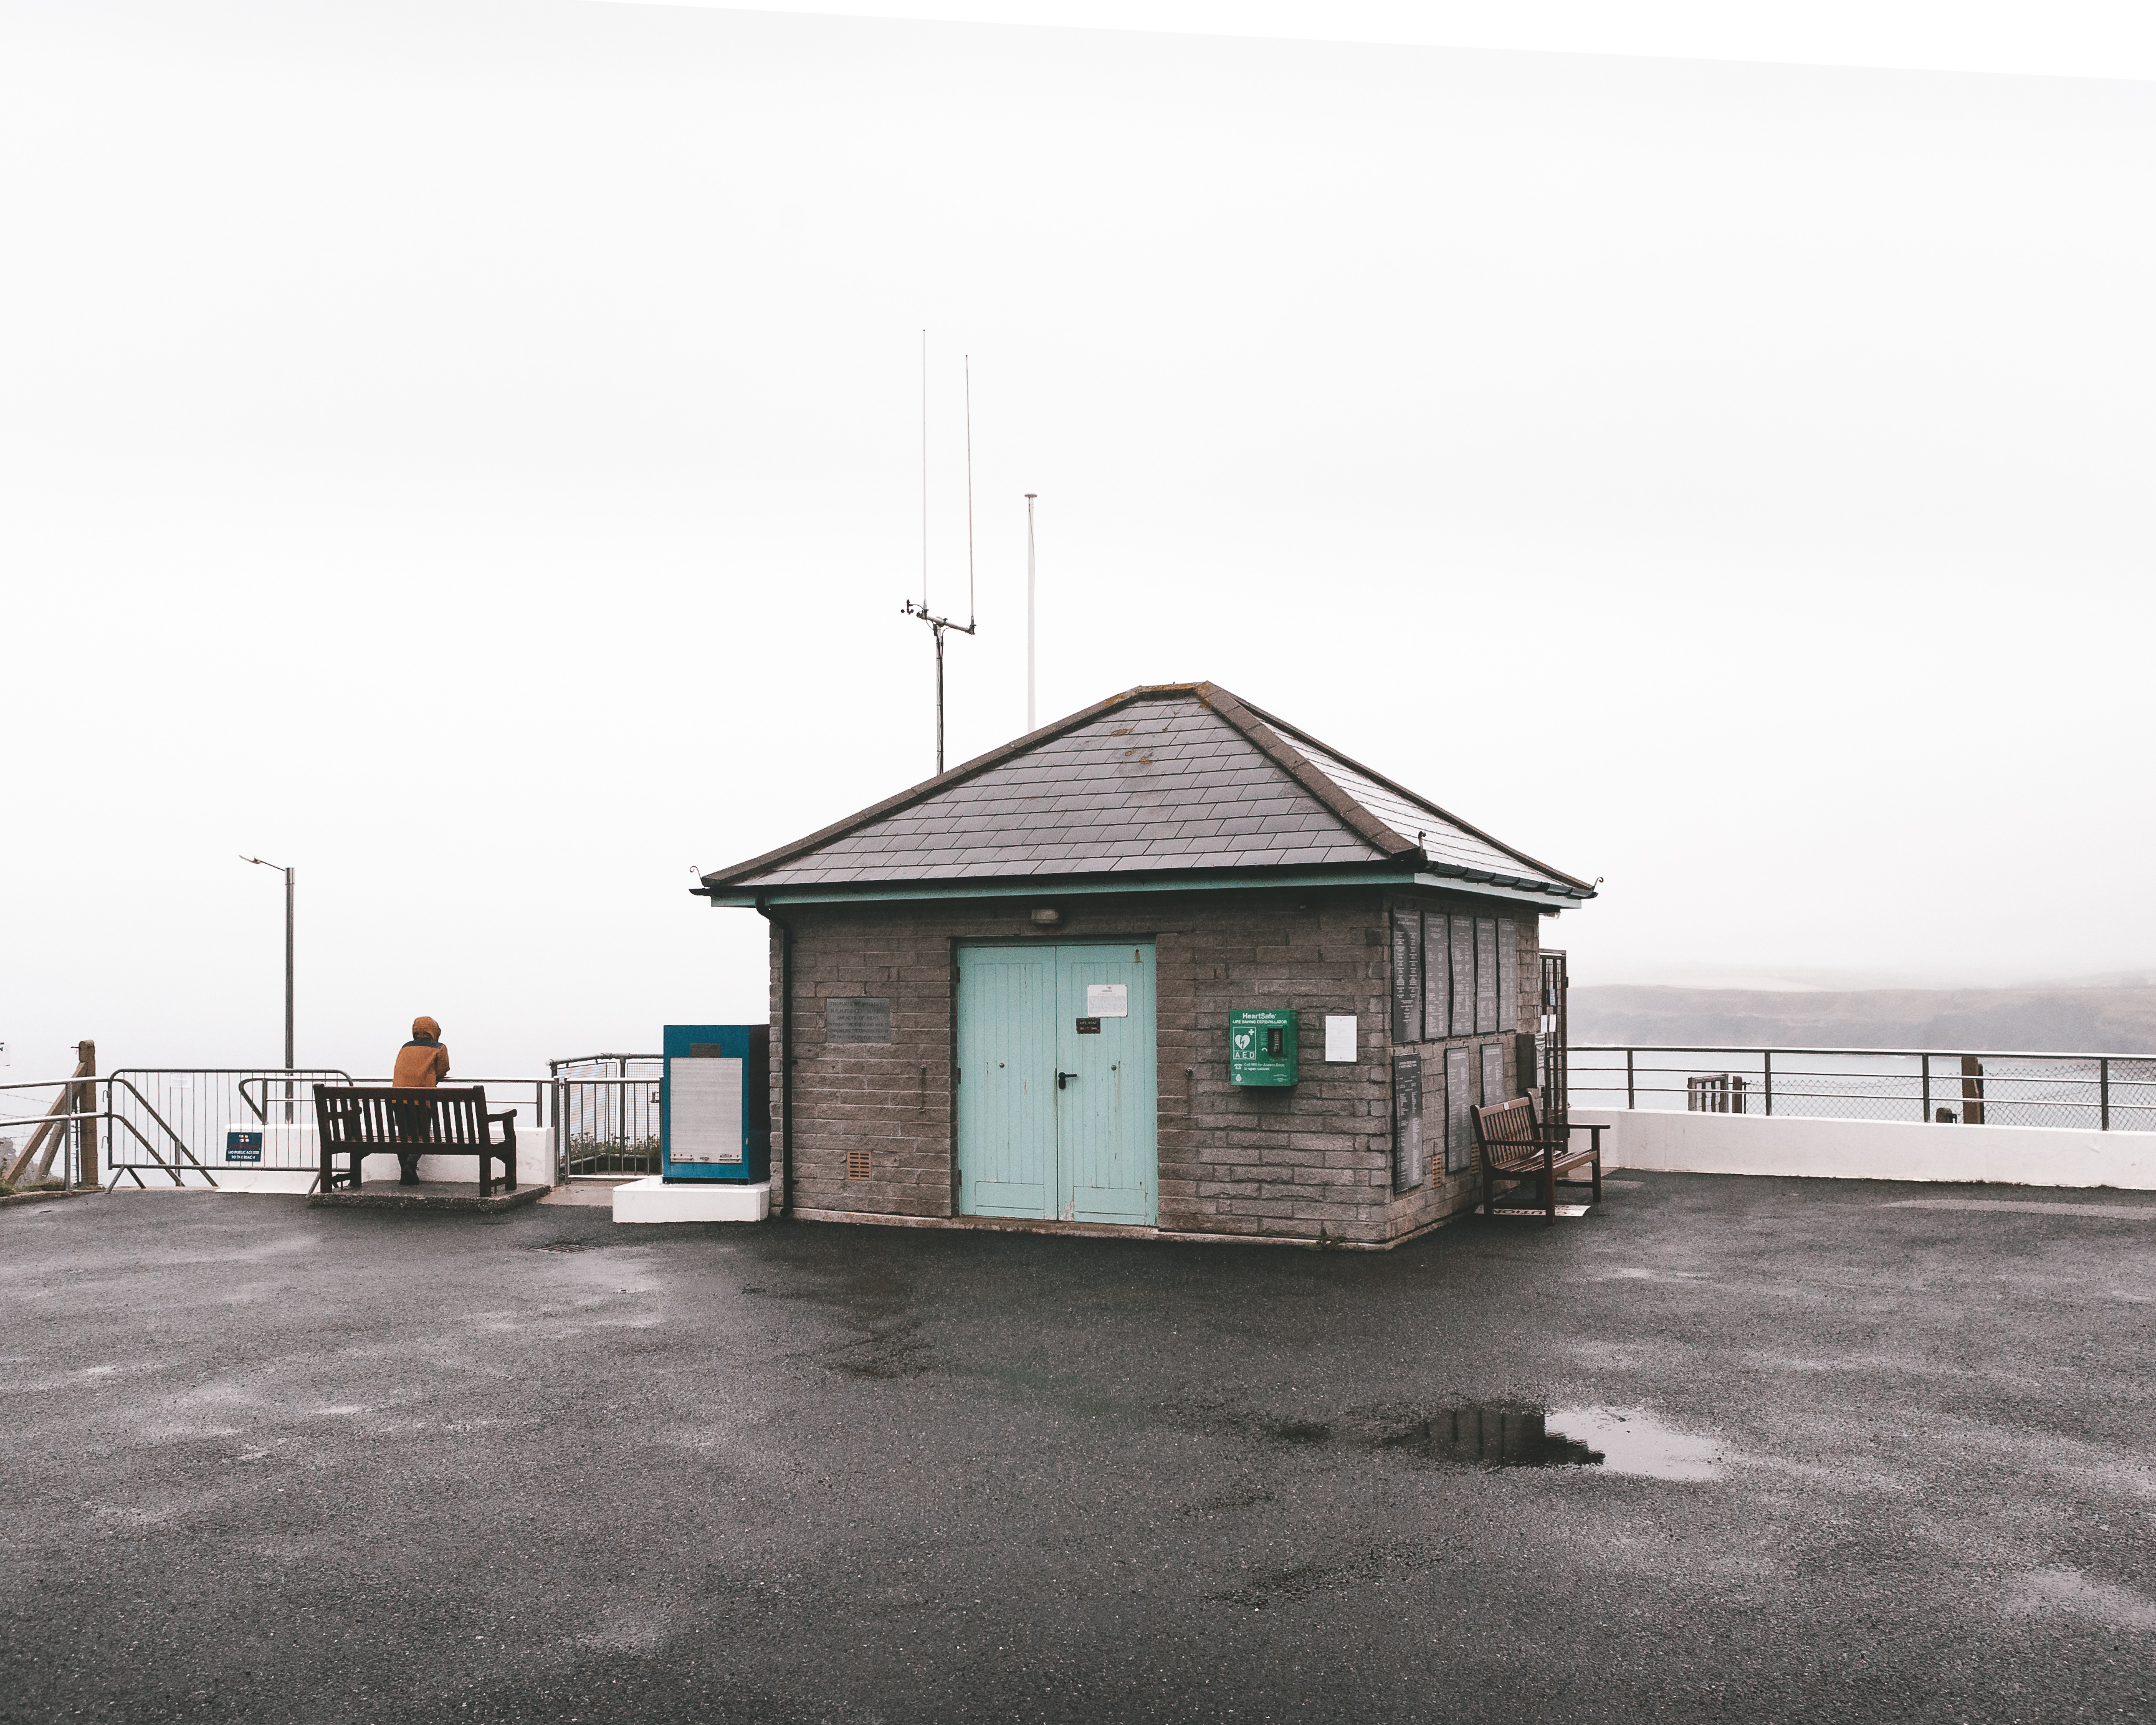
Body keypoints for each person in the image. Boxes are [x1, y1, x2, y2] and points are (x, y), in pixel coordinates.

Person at [389, 1016, 451, 1185]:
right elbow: (442, 1070)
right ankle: (410, 1164)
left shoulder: (405, 1047)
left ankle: (406, 1172)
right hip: (422, 1102)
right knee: (422, 1135)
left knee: (405, 1136)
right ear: (434, 1031)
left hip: (398, 1100)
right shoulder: (439, 1048)